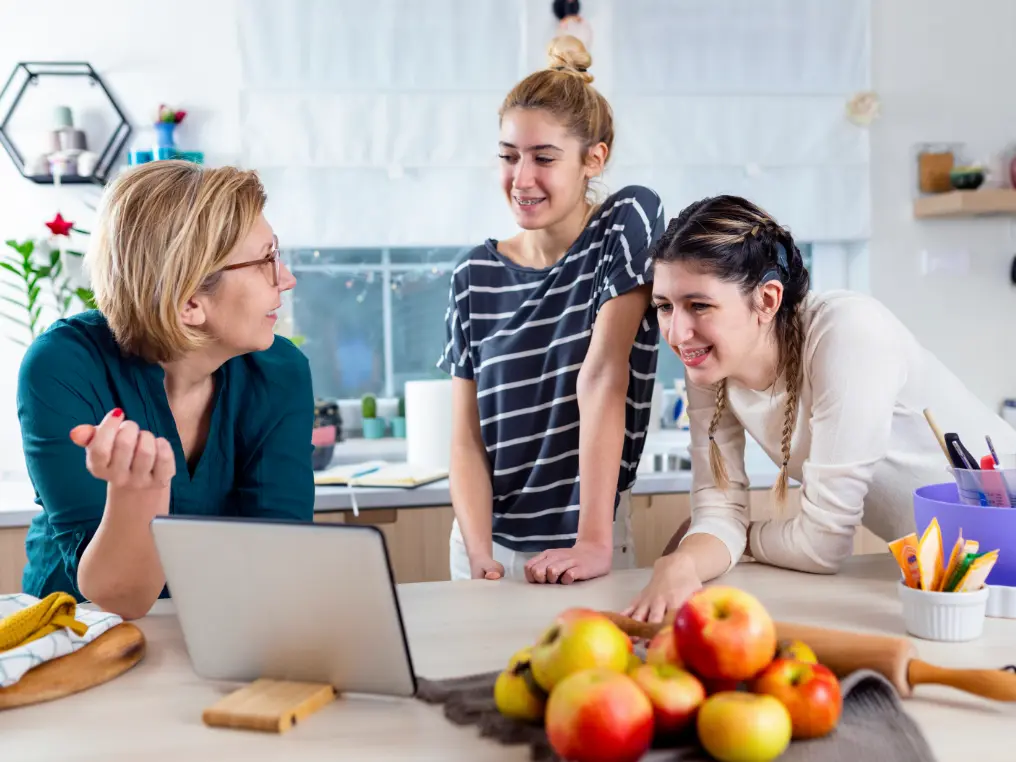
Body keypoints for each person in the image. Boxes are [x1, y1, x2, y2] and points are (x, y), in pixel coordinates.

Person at [623, 194, 1016, 622]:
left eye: (699, 305)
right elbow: (719, 514)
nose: (677, 332)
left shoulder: (848, 333)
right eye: (664, 306)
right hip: (951, 583)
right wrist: (681, 562)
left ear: (768, 300)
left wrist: (745, 538)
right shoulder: (709, 362)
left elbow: (822, 545)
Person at [17, 160, 315, 619]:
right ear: (189, 302)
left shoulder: (280, 372)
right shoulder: (63, 366)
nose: (287, 279)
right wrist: (138, 494)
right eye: (266, 261)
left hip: (222, 624)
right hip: (75, 633)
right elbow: (120, 598)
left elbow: (278, 556)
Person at [437, 35, 665, 585]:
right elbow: (467, 438)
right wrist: (477, 552)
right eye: (508, 157)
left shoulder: (627, 221)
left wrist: (592, 543)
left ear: (594, 158)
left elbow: (605, 374)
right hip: (483, 544)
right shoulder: (472, 277)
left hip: (589, 543)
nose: (522, 179)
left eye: (544, 158)